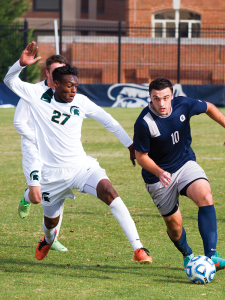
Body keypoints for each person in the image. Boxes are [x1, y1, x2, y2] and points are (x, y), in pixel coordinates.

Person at [4, 42, 152, 264]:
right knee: (50, 223)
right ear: (54, 84)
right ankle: (46, 240)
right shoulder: (35, 94)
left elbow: (108, 121)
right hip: (51, 175)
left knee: (110, 193)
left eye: (76, 86)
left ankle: (138, 248)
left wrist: (130, 145)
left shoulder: (81, 102)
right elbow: (10, 81)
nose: (73, 90)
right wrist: (20, 65)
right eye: (68, 86)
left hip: (82, 167)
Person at [133, 77, 225, 271]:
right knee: (175, 226)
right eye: (156, 99)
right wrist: (159, 171)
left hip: (184, 164)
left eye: (166, 98)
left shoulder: (183, 104)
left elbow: (209, 107)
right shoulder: (144, 122)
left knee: (205, 194)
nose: (162, 103)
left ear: (172, 96)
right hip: (157, 176)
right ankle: (187, 255)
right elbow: (141, 157)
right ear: (150, 97)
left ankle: (211, 256)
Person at [14, 54, 68, 252]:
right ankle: (26, 197)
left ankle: (52, 238)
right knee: (38, 197)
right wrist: (39, 139)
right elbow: (19, 122)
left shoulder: (66, 93)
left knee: (58, 190)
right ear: (47, 73)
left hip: (56, 152)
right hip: (33, 148)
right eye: (55, 72)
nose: (58, 76)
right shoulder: (33, 91)